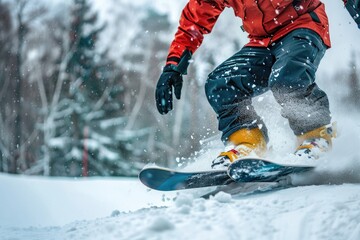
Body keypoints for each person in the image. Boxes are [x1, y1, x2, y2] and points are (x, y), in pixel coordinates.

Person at [155, 0, 353, 169]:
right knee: (221, 85)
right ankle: (248, 143)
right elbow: (194, 19)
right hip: (262, 41)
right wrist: (173, 66)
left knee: (287, 80)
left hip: (302, 24)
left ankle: (315, 135)